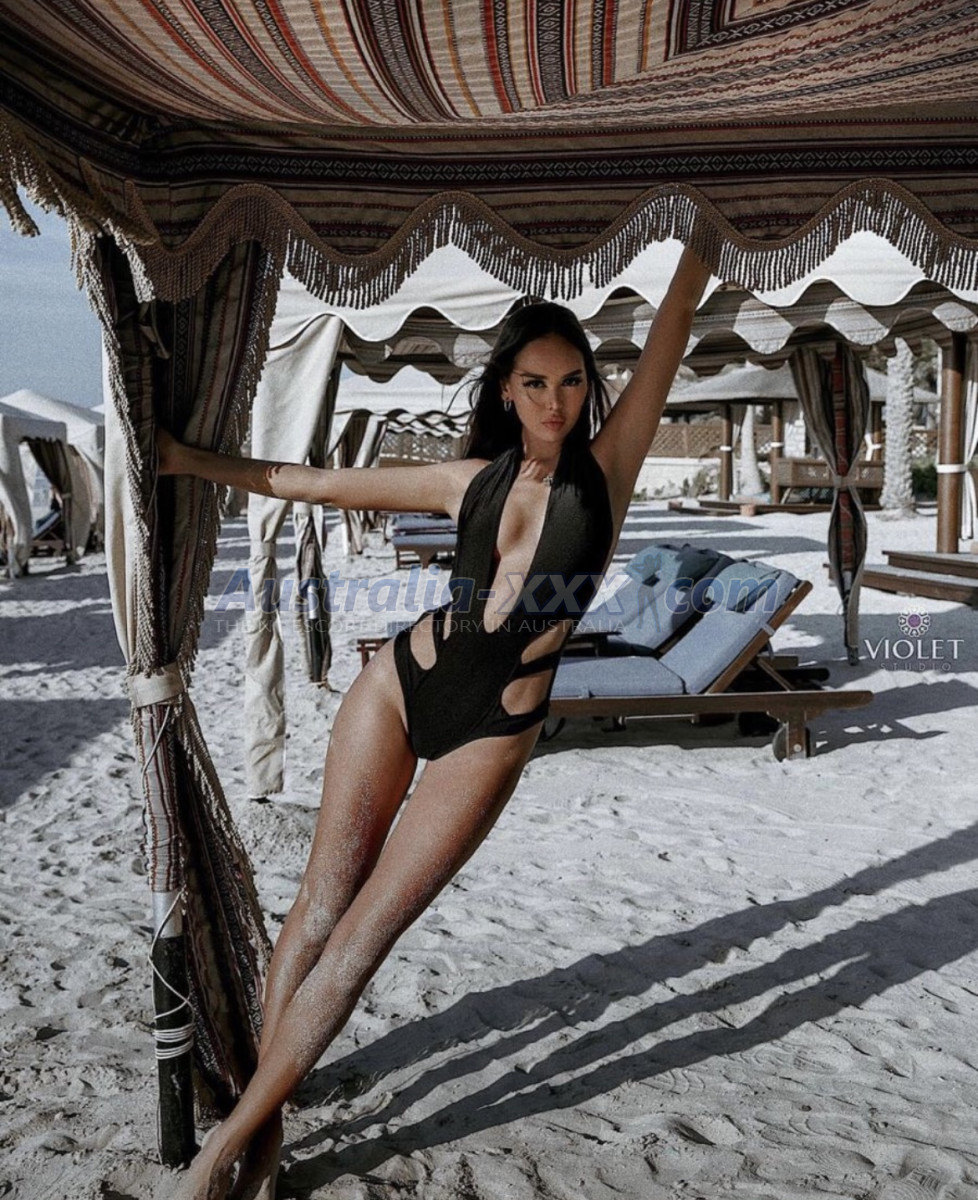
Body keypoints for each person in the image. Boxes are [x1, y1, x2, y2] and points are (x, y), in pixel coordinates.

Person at [160, 246, 711, 1199]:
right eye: (534, 383)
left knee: (362, 939)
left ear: (590, 388)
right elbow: (309, 483)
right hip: (399, 686)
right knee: (320, 906)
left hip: (490, 731)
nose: (555, 402)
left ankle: (227, 1149)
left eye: (572, 382)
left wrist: (700, 246)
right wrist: (186, 461)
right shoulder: (467, 480)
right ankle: (264, 1122)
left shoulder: (606, 473)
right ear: (505, 389)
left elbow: (670, 330)